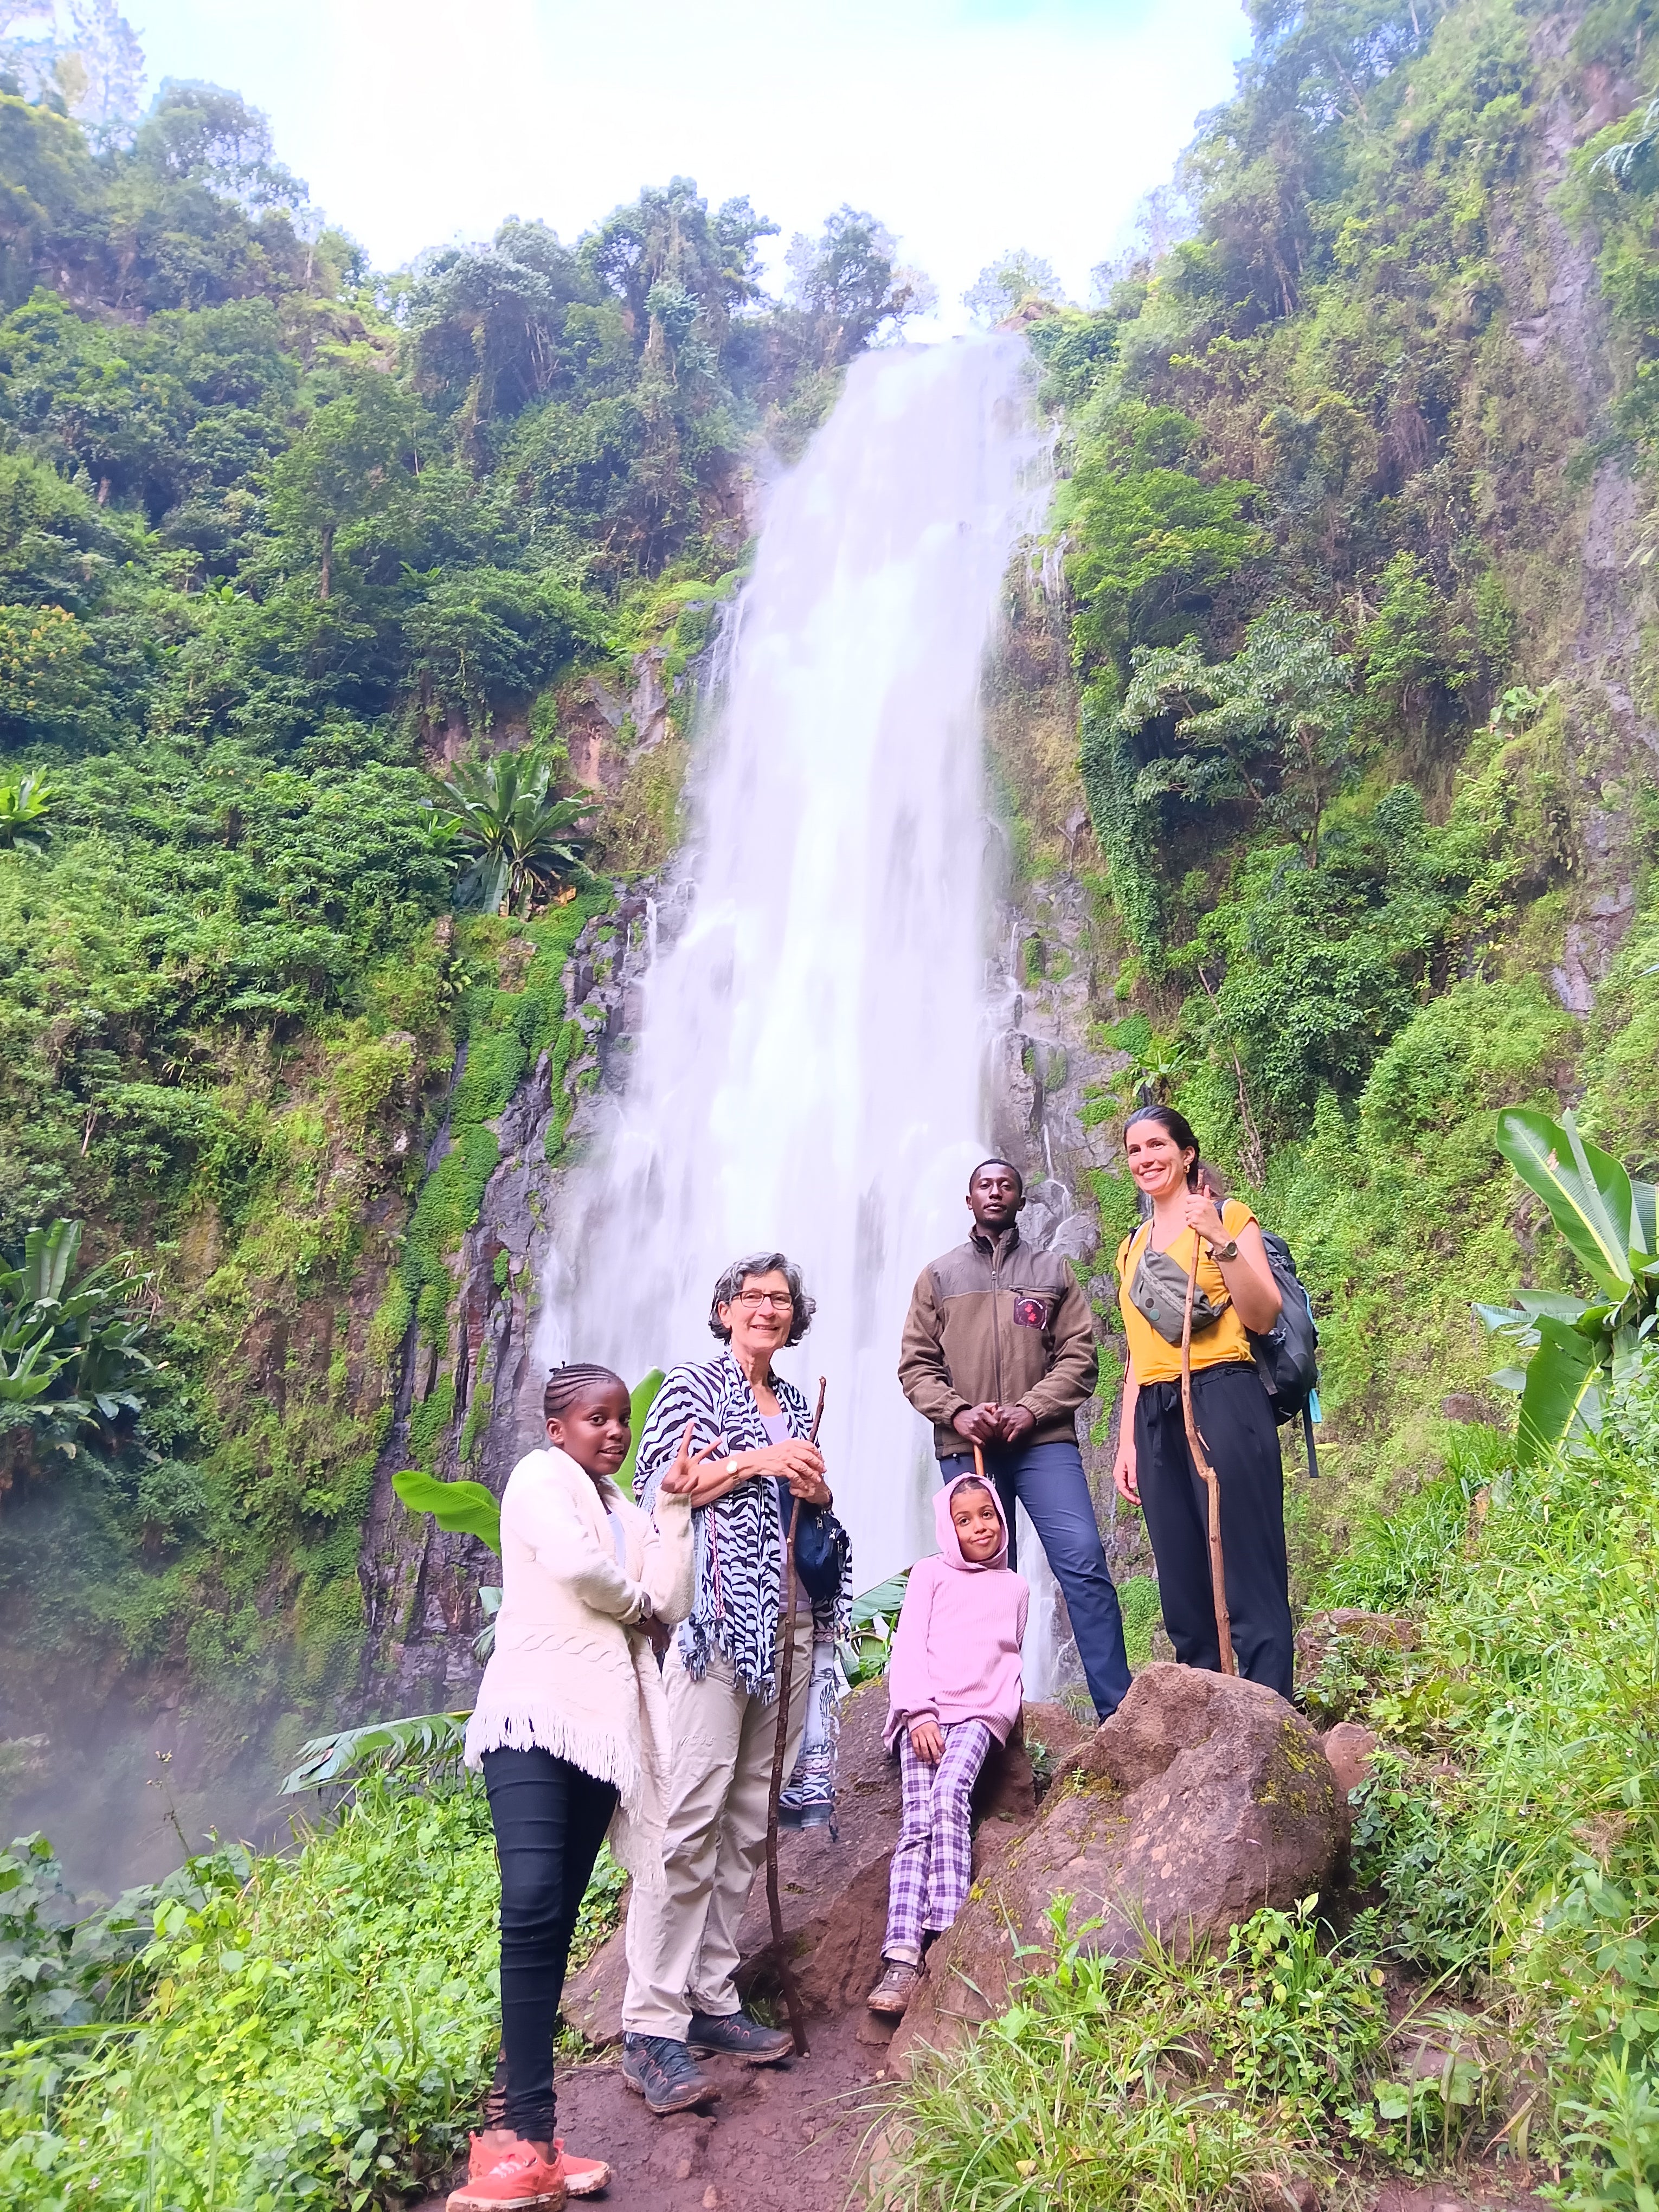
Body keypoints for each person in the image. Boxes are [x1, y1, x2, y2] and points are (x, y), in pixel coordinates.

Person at [452, 1364, 704, 2212]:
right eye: (597, 1419)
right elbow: (581, 1573)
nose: (614, 1432)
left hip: (603, 1737)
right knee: (527, 1901)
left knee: (553, 1918)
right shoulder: (535, 1478)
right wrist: (639, 1607)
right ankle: (520, 2138)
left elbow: (672, 1595)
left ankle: (524, 2131)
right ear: (557, 1428)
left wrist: (671, 1509)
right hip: (531, 1721)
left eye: (622, 1420)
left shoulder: (626, 1513)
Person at [619, 1252, 851, 2117]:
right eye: (752, 1298)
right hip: (719, 1629)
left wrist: (816, 1486)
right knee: (689, 1817)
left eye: (782, 1300)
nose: (767, 1310)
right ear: (722, 1311)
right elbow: (660, 1490)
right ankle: (650, 2023)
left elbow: (805, 1502)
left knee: (749, 1817)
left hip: (790, 1627)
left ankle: (712, 1998)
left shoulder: (791, 1402)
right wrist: (759, 1463)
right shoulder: (690, 1387)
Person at [898, 1158, 1131, 1720]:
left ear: (1021, 1199)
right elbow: (916, 1367)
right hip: (968, 1445)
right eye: (985, 1185)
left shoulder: (1053, 1271)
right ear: (969, 1199)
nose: (995, 1192)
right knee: (976, 1580)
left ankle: (1118, 1714)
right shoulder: (939, 1276)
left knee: (1083, 1561)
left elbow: (1079, 1356)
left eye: (1006, 1185)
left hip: (1043, 1442)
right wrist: (958, 1413)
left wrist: (1031, 1410)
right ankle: (979, 1713)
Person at [1111, 1104, 1295, 1699]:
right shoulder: (1131, 1247)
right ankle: (1209, 1725)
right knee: (1184, 1591)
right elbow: (1140, 1353)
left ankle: (1271, 1719)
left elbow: (1263, 1315)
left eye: (1158, 1145)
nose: (1146, 1159)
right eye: (1135, 1150)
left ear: (1187, 1154)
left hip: (1225, 1397)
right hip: (1157, 1416)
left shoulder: (1229, 1217)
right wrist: (1126, 1441)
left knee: (1248, 1574)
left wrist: (1220, 1242)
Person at [866, 1474, 1028, 2017]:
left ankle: (949, 1928)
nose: (979, 1527)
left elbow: (1010, 1659)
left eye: (987, 1514)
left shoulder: (1015, 1587)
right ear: (948, 1527)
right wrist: (917, 1711)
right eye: (965, 1519)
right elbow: (909, 1644)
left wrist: (1001, 1712)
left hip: (979, 1716)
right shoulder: (930, 1575)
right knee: (916, 1822)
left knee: (950, 1793)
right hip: (928, 1715)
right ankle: (903, 1955)